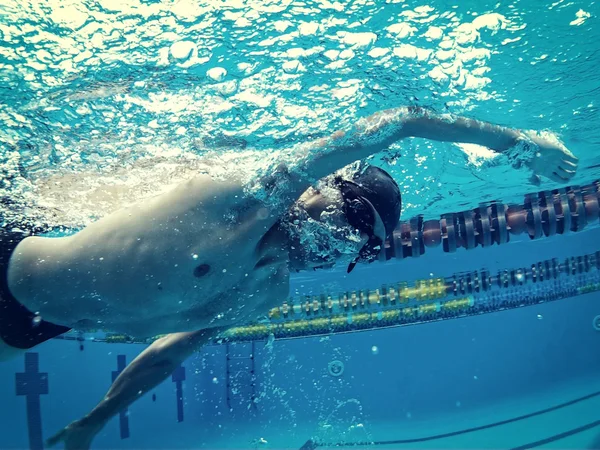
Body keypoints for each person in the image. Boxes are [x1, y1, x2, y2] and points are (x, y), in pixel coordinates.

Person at [0, 106, 577, 449]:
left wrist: (94, 421)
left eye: (360, 241)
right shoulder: (243, 200)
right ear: (325, 188)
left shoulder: (266, 290)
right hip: (11, 256)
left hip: (33, 327)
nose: (341, 240)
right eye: (348, 216)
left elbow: (165, 356)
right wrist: (519, 143)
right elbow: (399, 123)